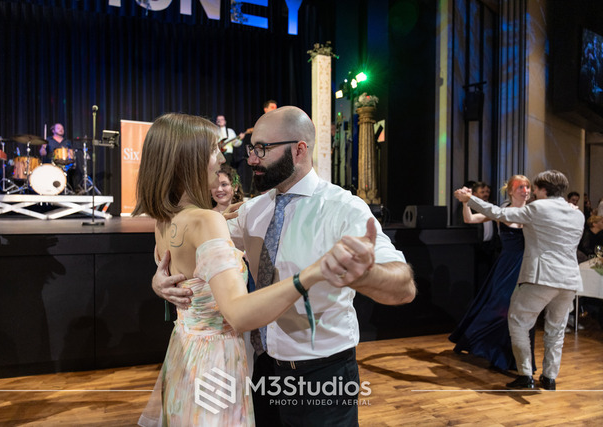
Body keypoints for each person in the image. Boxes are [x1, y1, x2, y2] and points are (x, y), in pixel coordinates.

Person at [152, 106, 416, 426]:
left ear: (299, 150)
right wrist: (162, 278)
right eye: (252, 149)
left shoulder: (343, 209)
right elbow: (192, 244)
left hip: (321, 372)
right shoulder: (252, 211)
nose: (252, 159)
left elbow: (404, 287)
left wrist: (364, 274)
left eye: (262, 149)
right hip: (262, 367)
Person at [455, 170, 584, 390]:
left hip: (542, 277)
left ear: (542, 189)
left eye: (534, 188)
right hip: (570, 280)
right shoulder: (577, 214)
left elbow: (497, 212)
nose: (531, 192)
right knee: (556, 330)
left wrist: (469, 199)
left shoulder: (537, 208)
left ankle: (525, 375)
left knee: (518, 321)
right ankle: (549, 378)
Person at [450, 175, 536, 372]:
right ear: (511, 191)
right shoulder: (501, 212)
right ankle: (495, 353)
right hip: (506, 267)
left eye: (527, 187)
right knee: (500, 309)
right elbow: (469, 219)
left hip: (526, 267)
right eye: (520, 187)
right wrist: (466, 202)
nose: (525, 191)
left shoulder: (534, 212)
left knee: (523, 312)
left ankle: (515, 360)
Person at [233, 100, 278, 196]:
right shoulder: (263, 121)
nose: (275, 109)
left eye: (275, 107)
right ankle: (257, 194)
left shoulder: (277, 121)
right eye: (272, 107)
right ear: (266, 109)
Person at [39, 123, 80, 192]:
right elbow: (42, 154)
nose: (61, 130)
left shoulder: (67, 141)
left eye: (62, 128)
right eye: (58, 128)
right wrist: (43, 147)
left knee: (76, 168)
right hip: (51, 163)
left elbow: (71, 153)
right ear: (53, 131)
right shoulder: (48, 140)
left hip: (65, 163)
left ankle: (74, 189)